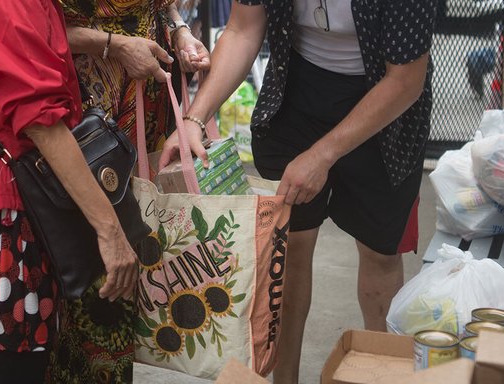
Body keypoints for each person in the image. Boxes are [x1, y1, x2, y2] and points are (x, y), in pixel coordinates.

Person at [159, 1, 437, 383]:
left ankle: (382, 370)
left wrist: (321, 156)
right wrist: (195, 117)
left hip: (384, 98)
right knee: (287, 246)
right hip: (297, 89)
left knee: (379, 250)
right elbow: (242, 28)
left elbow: (406, 80)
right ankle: (283, 377)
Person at [0, 1, 138, 383]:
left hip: (16, 202)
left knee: (32, 364)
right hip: (11, 211)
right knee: (19, 369)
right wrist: (110, 230)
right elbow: (40, 121)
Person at [46, 1, 210, 383]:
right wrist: (112, 44)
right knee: (90, 268)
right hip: (85, 115)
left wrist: (180, 29)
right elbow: (24, 33)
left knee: (135, 249)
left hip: (144, 104)